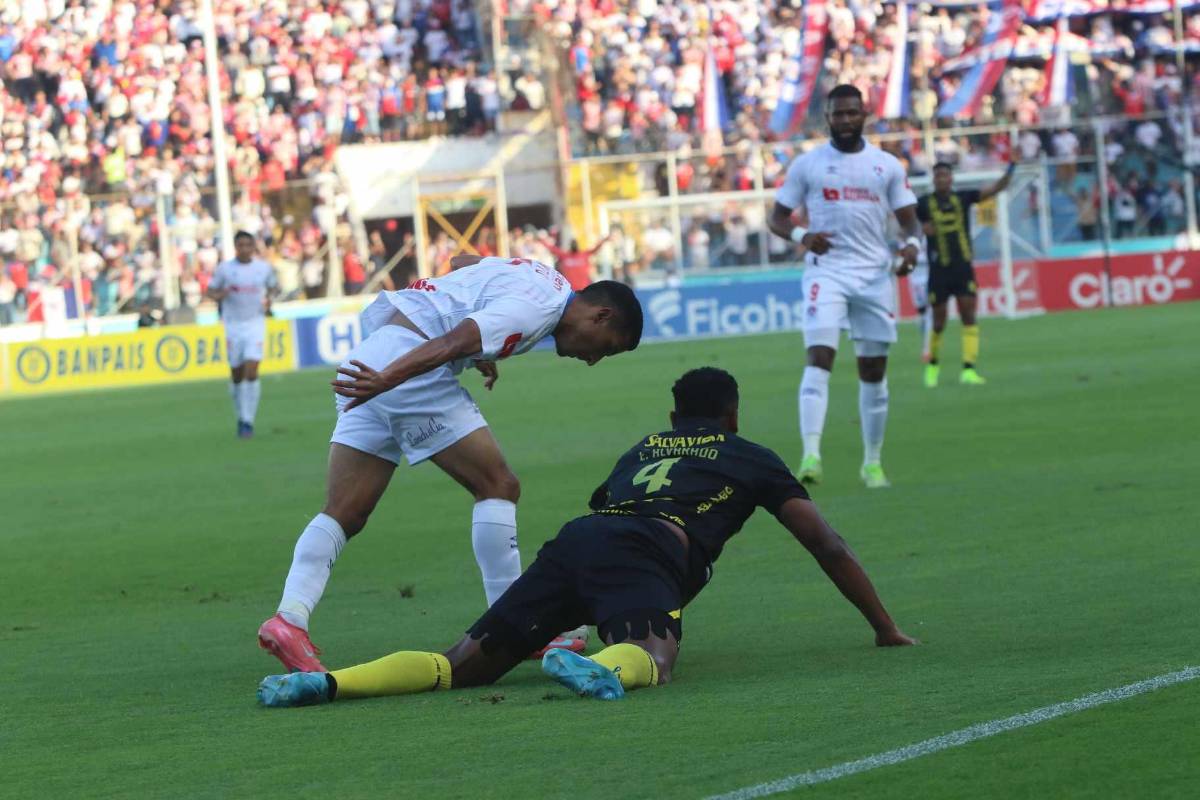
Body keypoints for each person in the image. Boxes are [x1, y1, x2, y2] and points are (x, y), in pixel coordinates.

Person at [257, 367, 917, 708]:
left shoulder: (644, 446)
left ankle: (330, 685)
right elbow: (825, 544)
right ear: (730, 414)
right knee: (652, 656)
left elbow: (606, 507)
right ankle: (600, 665)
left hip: (579, 537)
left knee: (455, 665)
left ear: (672, 416)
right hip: (649, 548)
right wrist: (884, 626)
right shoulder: (748, 453)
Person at [256, 255, 644, 674]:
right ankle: (517, 625)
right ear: (600, 316)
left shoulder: (542, 277)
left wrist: (476, 345)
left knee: (344, 511)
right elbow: (451, 344)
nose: (592, 360)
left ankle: (289, 619)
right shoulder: (537, 310)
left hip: (370, 355)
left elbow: (465, 263)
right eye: (604, 348)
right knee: (498, 485)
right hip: (402, 367)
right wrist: (391, 378)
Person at [767, 84, 923, 489]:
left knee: (873, 370)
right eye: (838, 114)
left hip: (874, 275)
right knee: (819, 357)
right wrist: (802, 236)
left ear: (864, 115)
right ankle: (811, 455)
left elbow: (910, 221)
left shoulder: (886, 165)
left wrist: (910, 247)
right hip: (827, 272)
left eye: (852, 113)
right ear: (828, 119)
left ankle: (872, 462)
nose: (846, 120)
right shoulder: (809, 165)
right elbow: (778, 216)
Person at [915, 161, 1014, 388]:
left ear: (951, 179)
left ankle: (969, 370)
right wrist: (920, 229)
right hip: (938, 269)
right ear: (933, 179)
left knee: (968, 316)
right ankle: (933, 365)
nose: (942, 179)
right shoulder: (923, 204)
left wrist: (1012, 167)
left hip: (963, 268)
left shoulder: (964, 198)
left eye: (945, 175)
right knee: (938, 322)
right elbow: (905, 220)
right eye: (938, 175)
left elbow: (996, 189)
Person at [205, 231, 278, 438]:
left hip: (255, 323)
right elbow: (210, 291)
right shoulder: (225, 269)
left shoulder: (262, 268)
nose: (244, 249)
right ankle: (241, 415)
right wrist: (220, 295)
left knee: (252, 370)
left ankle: (248, 420)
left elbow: (273, 286)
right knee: (237, 374)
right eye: (240, 245)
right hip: (233, 325)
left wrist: (269, 300)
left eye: (248, 245)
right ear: (236, 247)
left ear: (254, 247)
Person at [537, 232, 612, 290]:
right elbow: (552, 248)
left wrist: (604, 240)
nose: (574, 245)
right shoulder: (565, 256)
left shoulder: (584, 254)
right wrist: (541, 240)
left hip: (584, 289)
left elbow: (596, 248)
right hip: (570, 290)